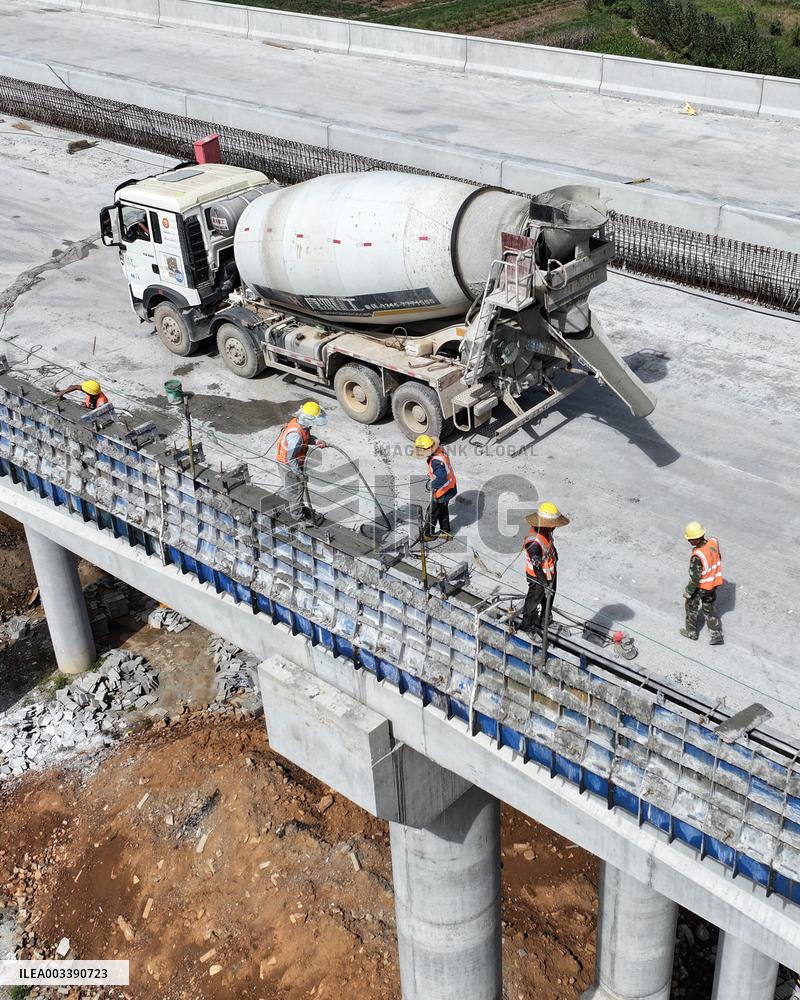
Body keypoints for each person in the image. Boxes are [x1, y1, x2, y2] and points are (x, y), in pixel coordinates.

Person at [519, 501, 569, 635]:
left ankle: (546, 620)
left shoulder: (546, 532)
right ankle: (528, 627)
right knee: (533, 602)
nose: (554, 528)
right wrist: (544, 584)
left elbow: (548, 548)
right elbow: (537, 567)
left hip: (550, 573)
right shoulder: (534, 543)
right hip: (537, 577)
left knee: (548, 599)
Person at [276, 401, 328, 523]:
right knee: (295, 490)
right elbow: (291, 458)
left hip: (292, 462)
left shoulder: (300, 425)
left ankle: (298, 507)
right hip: (288, 465)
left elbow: (305, 437)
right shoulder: (295, 436)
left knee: (298, 489)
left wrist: (316, 441)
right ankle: (298, 518)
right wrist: (299, 474)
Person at [681, 521, 724, 645]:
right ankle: (716, 635)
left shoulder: (697, 555)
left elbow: (695, 578)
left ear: (696, 538)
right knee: (709, 609)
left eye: (691, 539)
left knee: (691, 608)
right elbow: (718, 557)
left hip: (701, 587)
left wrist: (688, 592)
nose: (689, 541)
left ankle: (692, 633)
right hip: (713, 585)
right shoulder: (713, 542)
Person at [415, 434, 457, 541]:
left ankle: (428, 535)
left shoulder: (435, 462)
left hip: (442, 491)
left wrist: (432, 484)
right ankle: (445, 532)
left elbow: (441, 478)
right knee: (443, 510)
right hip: (450, 488)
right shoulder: (440, 451)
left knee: (432, 513)